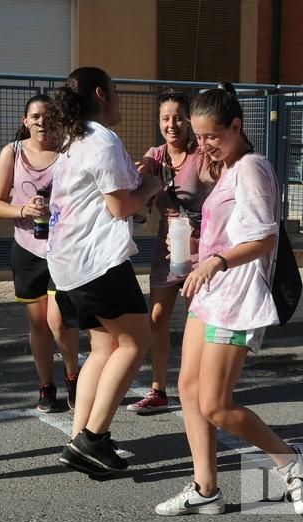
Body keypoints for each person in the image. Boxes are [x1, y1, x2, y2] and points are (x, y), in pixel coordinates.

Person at [154, 83, 303, 517]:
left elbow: (264, 238)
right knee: (187, 387)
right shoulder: (225, 168)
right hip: (210, 292)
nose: (203, 145)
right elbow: (230, 226)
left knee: (217, 405)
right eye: (198, 136)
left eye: (211, 137)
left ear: (236, 126)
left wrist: (216, 261)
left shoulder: (253, 167)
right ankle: (206, 488)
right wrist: (200, 251)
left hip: (238, 296)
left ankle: (290, 462)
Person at [44, 67, 162, 474]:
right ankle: (93, 439)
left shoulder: (75, 141)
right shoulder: (101, 139)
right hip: (97, 262)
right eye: (117, 91)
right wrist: (151, 186)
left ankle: (81, 437)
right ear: (101, 93)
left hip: (69, 264)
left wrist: (137, 183)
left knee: (104, 349)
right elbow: (120, 206)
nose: (120, 100)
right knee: (136, 341)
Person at [0, 94, 80, 413]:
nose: (43, 122)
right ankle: (46, 387)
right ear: (25, 121)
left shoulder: (69, 153)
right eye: (36, 116)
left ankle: (73, 378)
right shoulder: (12, 153)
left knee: (60, 322)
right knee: (38, 324)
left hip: (62, 249)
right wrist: (22, 209)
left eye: (49, 116)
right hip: (27, 250)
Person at [127, 90, 214, 414]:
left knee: (197, 319)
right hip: (166, 248)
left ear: (189, 121)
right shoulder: (156, 156)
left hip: (200, 249)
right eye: (165, 118)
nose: (172, 124)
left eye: (178, 117)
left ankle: (201, 387)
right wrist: (141, 176)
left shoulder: (203, 155)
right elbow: (140, 196)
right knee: (157, 318)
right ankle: (159, 390)